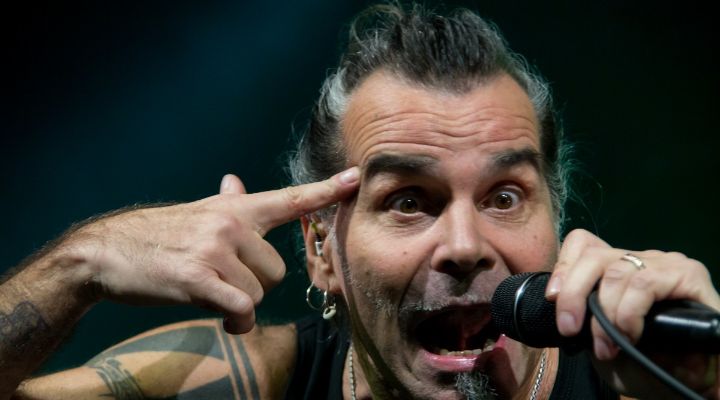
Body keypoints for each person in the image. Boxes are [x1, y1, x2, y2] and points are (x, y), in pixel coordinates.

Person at [1, 3, 718, 399]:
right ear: (321, 250)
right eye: (408, 200)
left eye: (505, 196)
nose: (465, 245)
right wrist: (80, 264)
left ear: (556, 221)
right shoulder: (246, 382)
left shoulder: (646, 381)